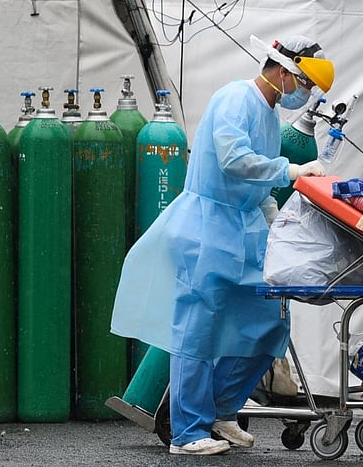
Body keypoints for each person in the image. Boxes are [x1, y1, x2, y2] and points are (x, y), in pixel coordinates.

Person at [110, 33, 334, 455]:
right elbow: (234, 161)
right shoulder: (235, 98)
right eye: (305, 86)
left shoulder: (269, 116)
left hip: (243, 229)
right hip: (205, 229)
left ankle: (220, 410)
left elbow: (259, 187)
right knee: (197, 331)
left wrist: (279, 230)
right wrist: (293, 170)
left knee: (271, 319)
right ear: (285, 72)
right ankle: (187, 432)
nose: (304, 96)